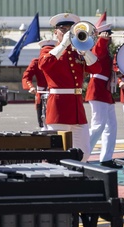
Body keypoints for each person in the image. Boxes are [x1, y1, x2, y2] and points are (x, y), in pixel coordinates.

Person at [37, 13, 103, 161]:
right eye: (63, 29)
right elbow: (43, 64)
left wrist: (85, 51)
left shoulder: (78, 53)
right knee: (58, 153)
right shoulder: (48, 50)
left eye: (70, 29)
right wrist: (63, 45)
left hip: (77, 110)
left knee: (84, 152)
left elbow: (97, 68)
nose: (67, 32)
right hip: (58, 109)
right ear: (56, 32)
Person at [86, 20, 118, 167]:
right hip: (98, 89)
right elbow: (98, 53)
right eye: (108, 35)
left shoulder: (104, 47)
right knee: (98, 125)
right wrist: (102, 39)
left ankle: (106, 158)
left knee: (111, 126)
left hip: (105, 90)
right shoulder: (98, 46)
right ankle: (82, 154)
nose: (109, 37)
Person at [22, 40, 51, 129]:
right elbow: (26, 76)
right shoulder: (36, 62)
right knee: (42, 122)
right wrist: (31, 87)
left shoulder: (59, 61)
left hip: (55, 94)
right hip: (41, 93)